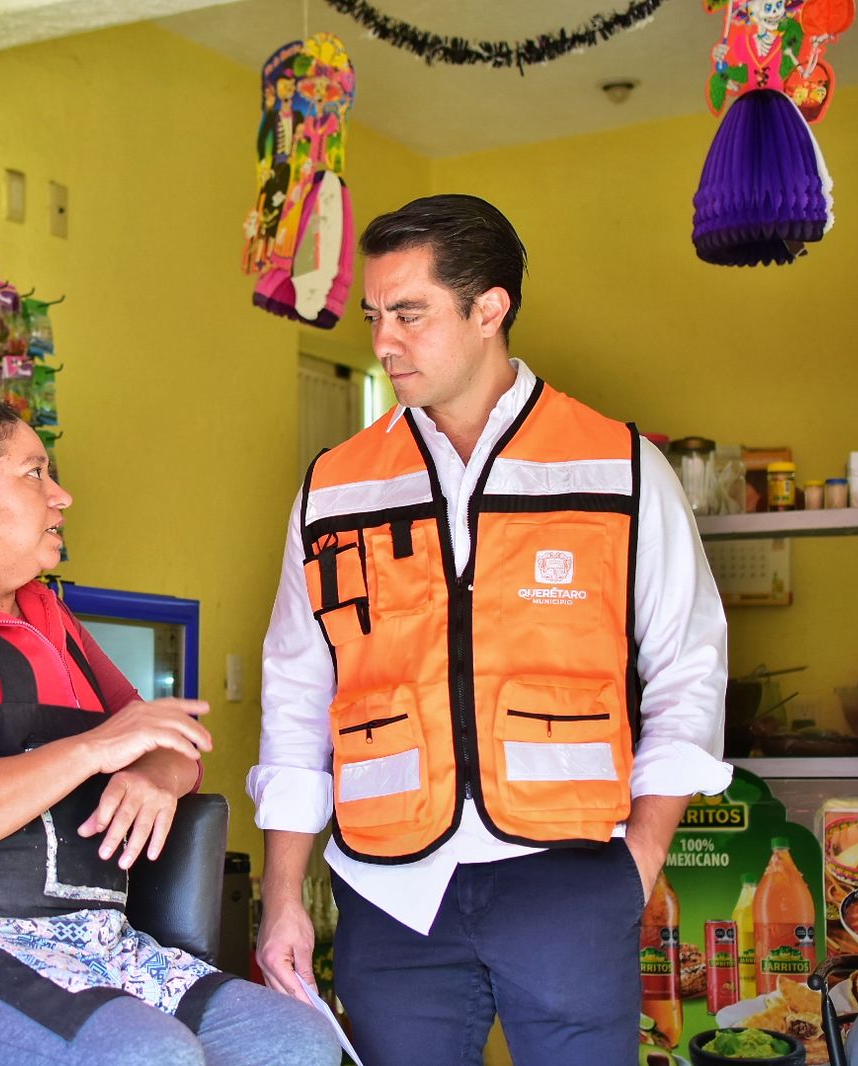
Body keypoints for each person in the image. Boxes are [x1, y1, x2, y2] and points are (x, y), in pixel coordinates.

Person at [250, 194, 733, 1065]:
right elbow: (295, 690)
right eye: (373, 316)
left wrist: (641, 860)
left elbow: (690, 666)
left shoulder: (618, 467)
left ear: (488, 309)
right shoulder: (335, 487)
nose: (382, 341)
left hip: (570, 879)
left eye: (408, 314)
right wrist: (284, 891)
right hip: (390, 896)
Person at [0, 383, 338, 1065]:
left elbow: (176, 746)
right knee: (145, 1056)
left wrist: (151, 776)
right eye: (34, 474)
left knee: (297, 1043)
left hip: (89, 940)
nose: (61, 496)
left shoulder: (48, 617)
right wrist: (95, 749)